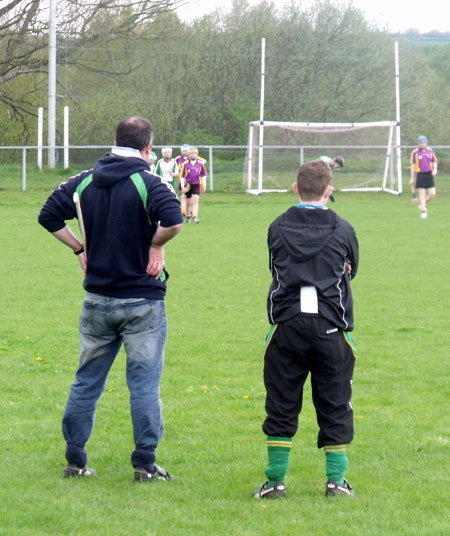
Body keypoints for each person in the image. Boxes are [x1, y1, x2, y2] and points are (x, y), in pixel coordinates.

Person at [38, 116, 183, 482]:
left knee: (86, 381)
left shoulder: (84, 179)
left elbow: (48, 214)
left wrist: (78, 249)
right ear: (147, 148)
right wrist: (155, 245)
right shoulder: (149, 181)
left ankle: (75, 459)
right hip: (142, 302)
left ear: (115, 139)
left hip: (97, 300)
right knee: (144, 384)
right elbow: (174, 220)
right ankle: (145, 465)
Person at [253, 160, 359, 499]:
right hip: (331, 327)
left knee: (281, 404)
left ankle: (275, 483)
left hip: (287, 327)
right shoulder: (343, 229)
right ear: (329, 190)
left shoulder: (277, 226)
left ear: (296, 188)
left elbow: (275, 265)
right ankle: (336, 483)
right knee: (336, 403)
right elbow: (351, 270)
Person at [410, 135, 437, 219]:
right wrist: (412, 177)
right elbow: (413, 165)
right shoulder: (415, 152)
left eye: (424, 142)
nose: (422, 144)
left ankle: (423, 204)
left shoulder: (430, 151)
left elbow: (434, 161)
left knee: (432, 193)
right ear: (418, 143)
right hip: (420, 174)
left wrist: (435, 169)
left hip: (429, 174)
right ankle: (423, 211)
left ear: (426, 142)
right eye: (421, 143)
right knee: (422, 193)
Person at [180, 147, 207, 223]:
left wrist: (204, 185)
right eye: (191, 153)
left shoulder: (200, 164)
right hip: (188, 185)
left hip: (196, 184)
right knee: (188, 202)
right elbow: (182, 176)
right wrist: (182, 186)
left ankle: (195, 216)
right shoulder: (185, 164)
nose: (193, 154)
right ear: (188, 155)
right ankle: (188, 216)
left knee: (195, 200)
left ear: (197, 154)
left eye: (195, 153)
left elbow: (203, 175)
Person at [175, 144, 190, 217]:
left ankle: (188, 210)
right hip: (182, 180)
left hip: (191, 180)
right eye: (184, 151)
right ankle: (183, 211)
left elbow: (203, 161)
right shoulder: (178, 159)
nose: (185, 152)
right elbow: (173, 165)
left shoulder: (191, 158)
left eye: (186, 150)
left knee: (190, 198)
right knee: (183, 196)